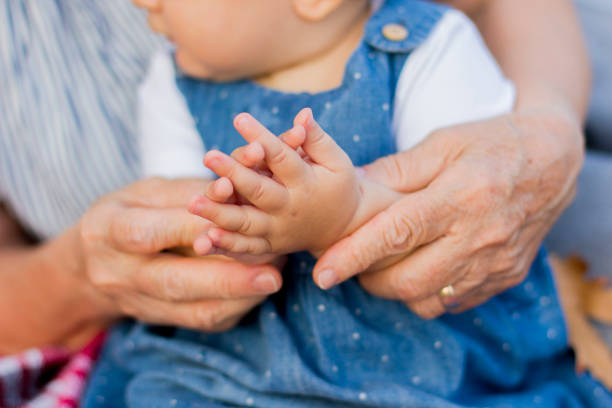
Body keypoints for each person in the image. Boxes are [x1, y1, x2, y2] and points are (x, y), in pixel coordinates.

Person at [0, 0, 599, 406]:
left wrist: (343, 216)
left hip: (412, 353)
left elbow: (467, 197)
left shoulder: (425, 48)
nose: (142, 3)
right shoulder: (170, 81)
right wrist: (213, 239)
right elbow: (185, 215)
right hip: (227, 362)